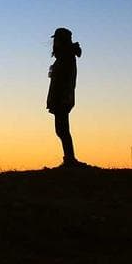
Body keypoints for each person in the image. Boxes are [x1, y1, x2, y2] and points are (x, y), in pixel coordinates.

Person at [47, 27, 82, 167]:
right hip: (62, 97)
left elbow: (65, 80)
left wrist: (62, 97)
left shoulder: (66, 57)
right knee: (61, 129)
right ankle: (69, 159)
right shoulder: (65, 57)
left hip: (62, 98)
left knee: (62, 130)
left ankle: (70, 159)